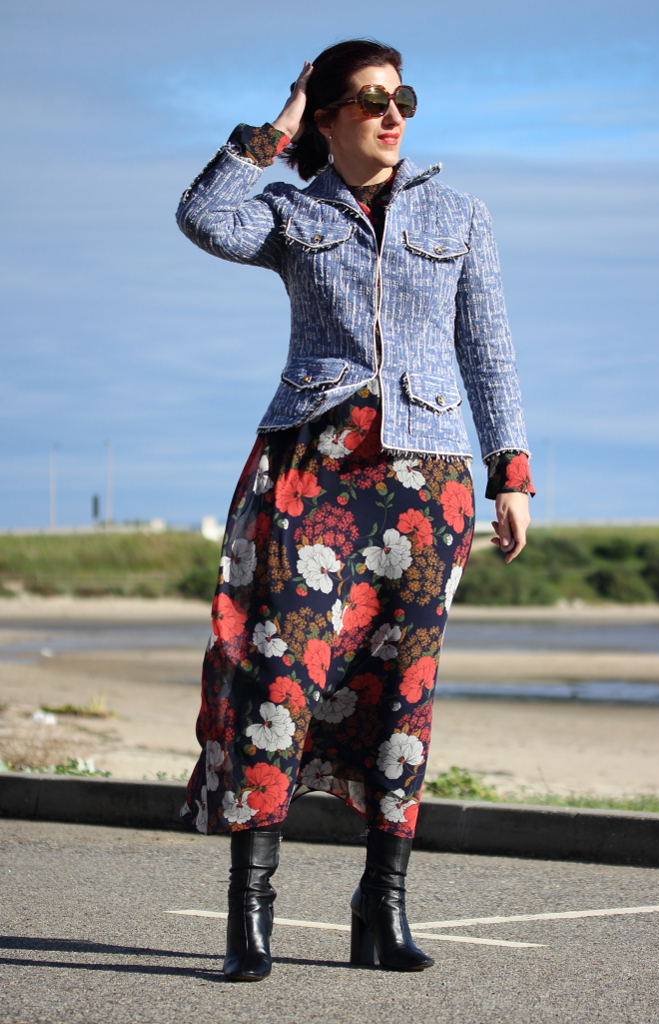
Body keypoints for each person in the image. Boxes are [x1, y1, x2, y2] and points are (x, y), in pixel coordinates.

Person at [176, 38, 534, 981]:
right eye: (369, 99)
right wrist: (281, 119)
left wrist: (511, 472)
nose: (392, 114)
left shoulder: (460, 214)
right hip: (313, 471)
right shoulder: (290, 212)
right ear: (331, 116)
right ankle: (249, 916)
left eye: (402, 97)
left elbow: (489, 348)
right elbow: (202, 215)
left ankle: (382, 906)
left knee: (404, 686)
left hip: (427, 484)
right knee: (279, 675)